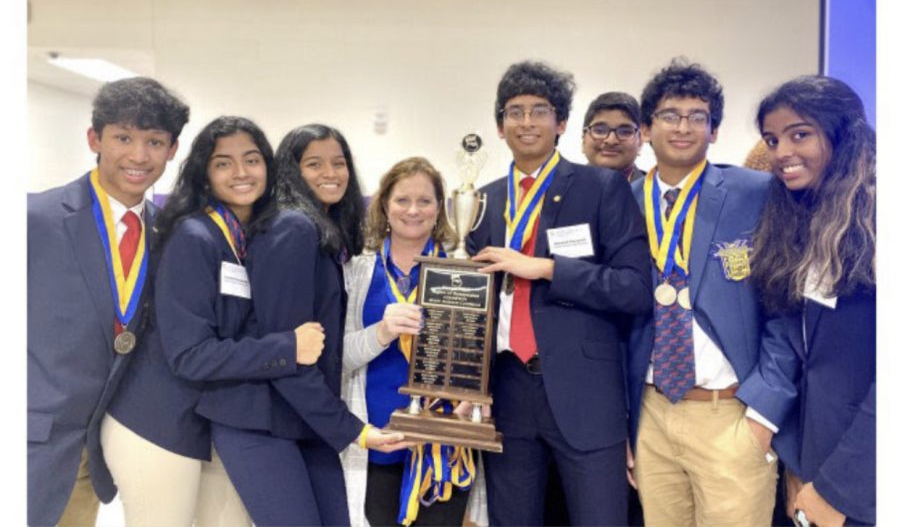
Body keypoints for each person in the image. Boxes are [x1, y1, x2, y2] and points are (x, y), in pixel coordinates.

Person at [155, 117, 407, 527]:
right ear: (289, 170)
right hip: (261, 419)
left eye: (339, 162)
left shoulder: (316, 230)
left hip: (302, 419)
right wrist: (352, 429)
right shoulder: (291, 228)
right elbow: (289, 346)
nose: (330, 173)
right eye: (314, 163)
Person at [465, 61, 652, 526]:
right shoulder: (482, 201)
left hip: (586, 393)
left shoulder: (602, 187)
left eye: (539, 111)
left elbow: (634, 288)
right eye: (514, 112)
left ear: (562, 123)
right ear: (499, 126)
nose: (526, 122)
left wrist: (547, 269)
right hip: (507, 392)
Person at [626, 59, 798, 527]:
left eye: (697, 116)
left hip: (732, 415)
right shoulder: (624, 201)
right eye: (669, 115)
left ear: (714, 130)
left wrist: (764, 416)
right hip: (651, 412)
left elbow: (787, 309)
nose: (683, 127)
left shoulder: (757, 193)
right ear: (645, 128)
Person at [27, 77, 189, 526]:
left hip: (97, 455)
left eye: (154, 141)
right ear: (94, 139)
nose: (138, 156)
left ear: (173, 149)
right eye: (123, 138)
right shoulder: (32, 219)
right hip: (30, 444)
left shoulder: (171, 236)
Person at [753, 76, 875, 526]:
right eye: (772, 139)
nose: (781, 151)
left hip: (862, 475)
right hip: (813, 454)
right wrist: (799, 465)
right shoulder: (807, 217)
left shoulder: (878, 221)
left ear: (843, 132)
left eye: (799, 134)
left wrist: (837, 489)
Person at [342, 157, 477, 527]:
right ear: (384, 205)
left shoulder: (463, 271)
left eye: (425, 201)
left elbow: (482, 352)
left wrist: (474, 393)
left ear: (440, 208)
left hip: (443, 443)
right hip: (378, 440)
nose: (413, 210)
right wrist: (381, 334)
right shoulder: (356, 271)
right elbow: (338, 359)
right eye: (402, 200)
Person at [581, 91, 645, 182]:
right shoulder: (560, 188)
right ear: (583, 140)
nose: (611, 141)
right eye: (600, 131)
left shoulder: (657, 193)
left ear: (640, 143)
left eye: (625, 132)